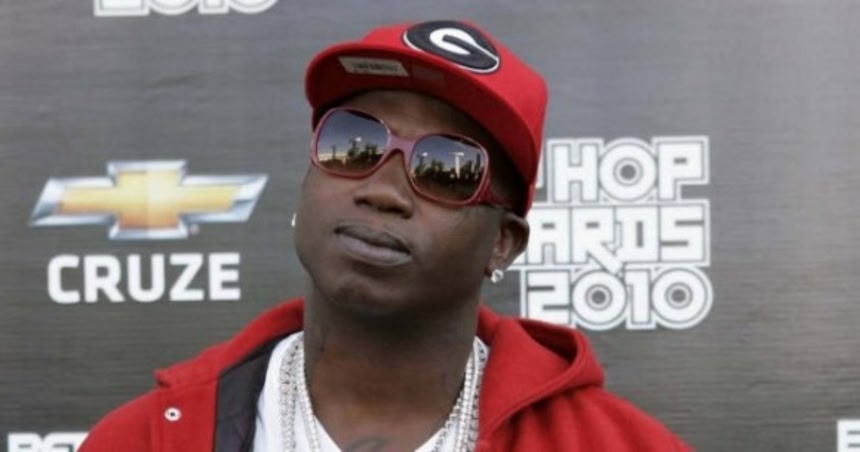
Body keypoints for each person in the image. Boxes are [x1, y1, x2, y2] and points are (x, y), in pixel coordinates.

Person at [80, 19, 691, 452]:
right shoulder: (141, 440)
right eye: (354, 144)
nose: (383, 191)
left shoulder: (618, 444)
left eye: (445, 169)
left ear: (503, 242)